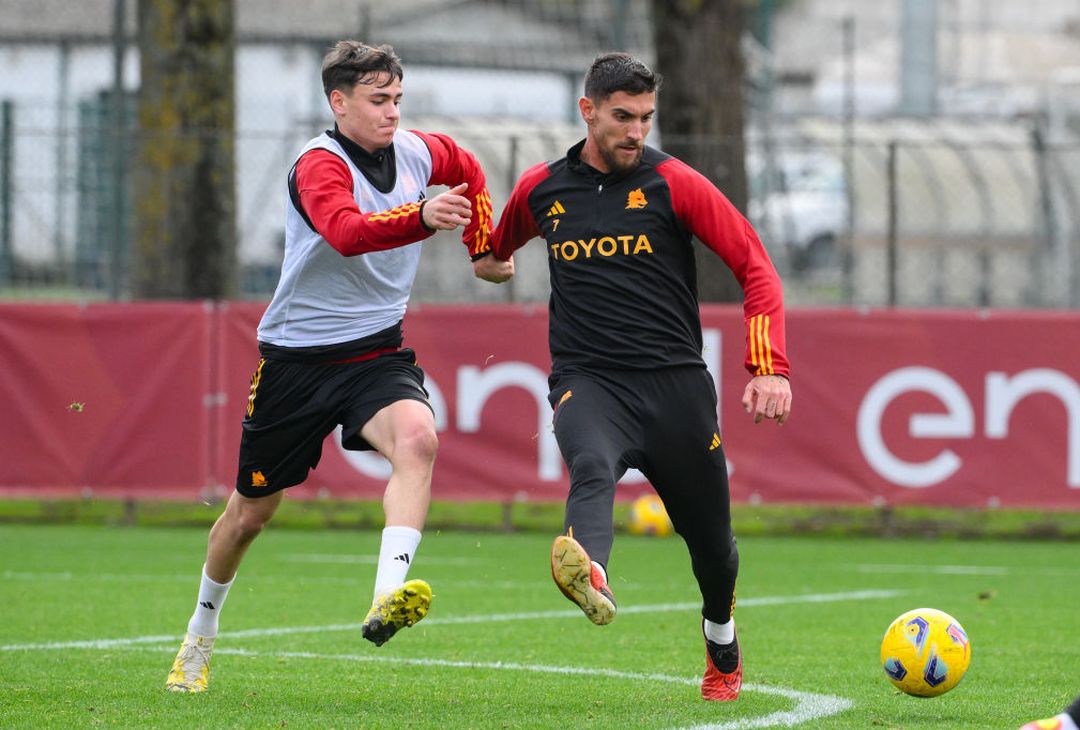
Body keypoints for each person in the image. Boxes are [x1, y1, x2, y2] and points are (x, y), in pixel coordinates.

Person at [166, 40, 511, 693]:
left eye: (397, 101)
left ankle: (388, 594)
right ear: (339, 101)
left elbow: (467, 168)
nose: (391, 114)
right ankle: (197, 640)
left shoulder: (416, 151)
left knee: (418, 438)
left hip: (375, 353)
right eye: (379, 101)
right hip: (296, 363)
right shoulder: (315, 166)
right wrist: (423, 216)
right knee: (248, 516)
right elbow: (347, 232)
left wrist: (482, 247)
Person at [472, 52, 791, 702]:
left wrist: (769, 367)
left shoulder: (675, 184)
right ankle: (590, 569)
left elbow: (755, 265)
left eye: (645, 117)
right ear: (587, 110)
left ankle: (721, 636)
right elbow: (494, 247)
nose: (635, 130)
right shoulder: (542, 188)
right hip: (589, 381)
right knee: (591, 464)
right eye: (622, 116)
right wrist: (487, 259)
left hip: (676, 388)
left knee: (713, 547)